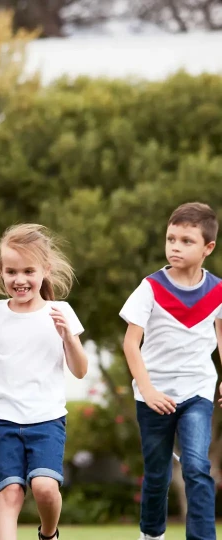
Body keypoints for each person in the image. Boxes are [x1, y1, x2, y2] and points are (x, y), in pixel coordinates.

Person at [0, 223, 88, 540]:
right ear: (1, 272)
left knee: (44, 488)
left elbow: (80, 370)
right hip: (2, 419)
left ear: (45, 270)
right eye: (11, 272)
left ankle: (49, 534)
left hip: (47, 419)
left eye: (28, 271)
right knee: (10, 493)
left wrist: (69, 336)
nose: (20, 280)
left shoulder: (61, 312)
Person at [120, 202, 222, 540]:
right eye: (171, 239)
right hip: (153, 394)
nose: (175, 246)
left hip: (197, 391)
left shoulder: (218, 291)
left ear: (208, 247)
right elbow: (131, 344)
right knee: (158, 474)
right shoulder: (151, 287)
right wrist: (147, 389)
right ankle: (151, 534)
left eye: (186, 241)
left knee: (196, 466)